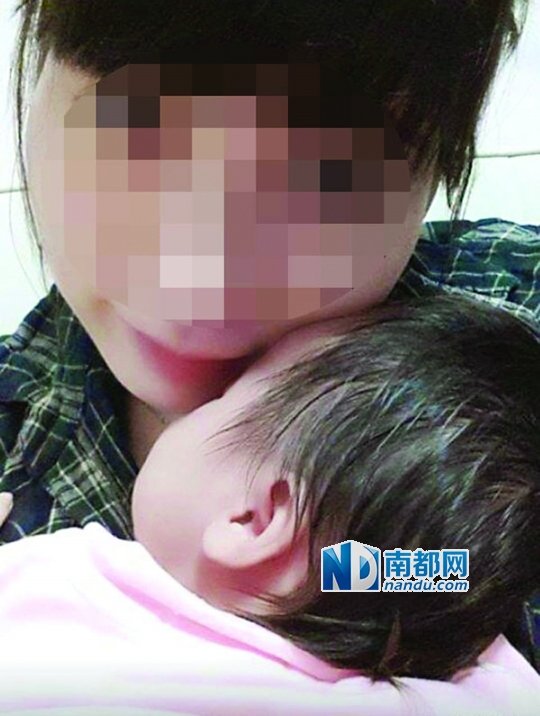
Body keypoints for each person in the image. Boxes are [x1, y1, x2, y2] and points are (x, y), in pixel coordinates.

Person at [0, 0, 538, 672]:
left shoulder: (514, 336)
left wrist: (331, 570)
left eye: (328, 173)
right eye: (138, 133)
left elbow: (451, 573)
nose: (194, 285)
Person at [0, 292, 538, 715]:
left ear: (251, 520)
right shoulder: (484, 690)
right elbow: (424, 573)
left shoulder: (53, 592)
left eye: (218, 399)